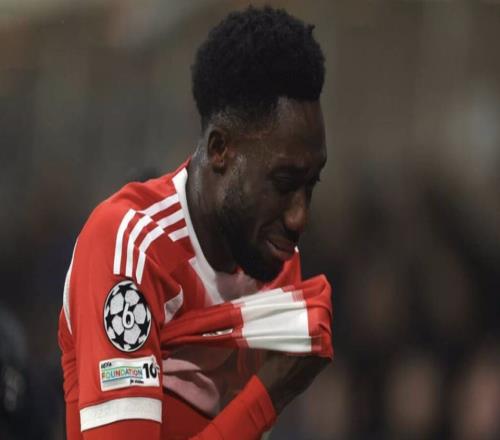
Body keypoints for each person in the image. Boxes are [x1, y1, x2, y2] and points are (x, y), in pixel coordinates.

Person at [58, 6, 332, 439]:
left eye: (310, 186)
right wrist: (267, 397)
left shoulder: (274, 266)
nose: (300, 217)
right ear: (221, 150)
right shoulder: (131, 249)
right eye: (284, 183)